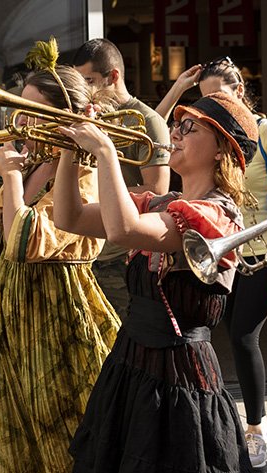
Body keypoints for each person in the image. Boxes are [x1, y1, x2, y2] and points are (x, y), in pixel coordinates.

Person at [57, 91, 259, 473]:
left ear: (222, 149)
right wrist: (69, 150)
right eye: (175, 124)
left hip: (179, 374)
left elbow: (122, 230)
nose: (174, 133)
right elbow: (70, 216)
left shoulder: (216, 214)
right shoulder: (161, 202)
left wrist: (104, 150)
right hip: (130, 363)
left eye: (190, 127)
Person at [0, 61, 120, 473]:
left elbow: (25, 241)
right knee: (16, 442)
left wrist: (11, 180)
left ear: (63, 115)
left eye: (31, 108)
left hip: (59, 315)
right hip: (8, 316)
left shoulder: (84, 173)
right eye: (18, 107)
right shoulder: (28, 166)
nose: (21, 120)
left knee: (66, 444)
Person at [154, 56, 267, 468]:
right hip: (219, 248)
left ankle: (257, 428)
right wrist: (178, 92)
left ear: (240, 91)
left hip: (263, 251)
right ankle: (219, 420)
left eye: (217, 96)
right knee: (209, 333)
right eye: (203, 100)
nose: (209, 105)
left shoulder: (266, 129)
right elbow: (155, 135)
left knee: (243, 336)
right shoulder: (203, 135)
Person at [71, 38, 172, 321]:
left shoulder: (147, 121)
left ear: (113, 77)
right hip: (84, 249)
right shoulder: (88, 117)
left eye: (89, 81)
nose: (84, 90)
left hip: (120, 256)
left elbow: (157, 190)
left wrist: (93, 193)